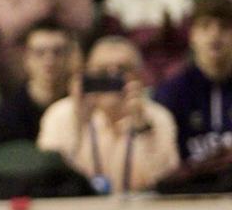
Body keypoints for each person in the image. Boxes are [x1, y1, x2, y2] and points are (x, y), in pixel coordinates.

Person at [36, 35, 179, 191]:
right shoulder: (60, 115)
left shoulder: (157, 116)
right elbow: (52, 179)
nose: (112, 76)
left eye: (122, 69)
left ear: (139, 75)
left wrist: (142, 126)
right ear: (88, 73)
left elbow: (166, 181)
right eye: (102, 71)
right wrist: (78, 123)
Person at [154, 0, 232, 165]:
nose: (215, 34)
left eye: (224, 27)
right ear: (192, 35)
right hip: (189, 189)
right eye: (205, 26)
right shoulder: (172, 92)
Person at [0, 21, 78, 144]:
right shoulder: (9, 114)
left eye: (58, 52)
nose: (49, 61)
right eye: (40, 53)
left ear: (69, 57)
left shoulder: (80, 106)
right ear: (26, 59)